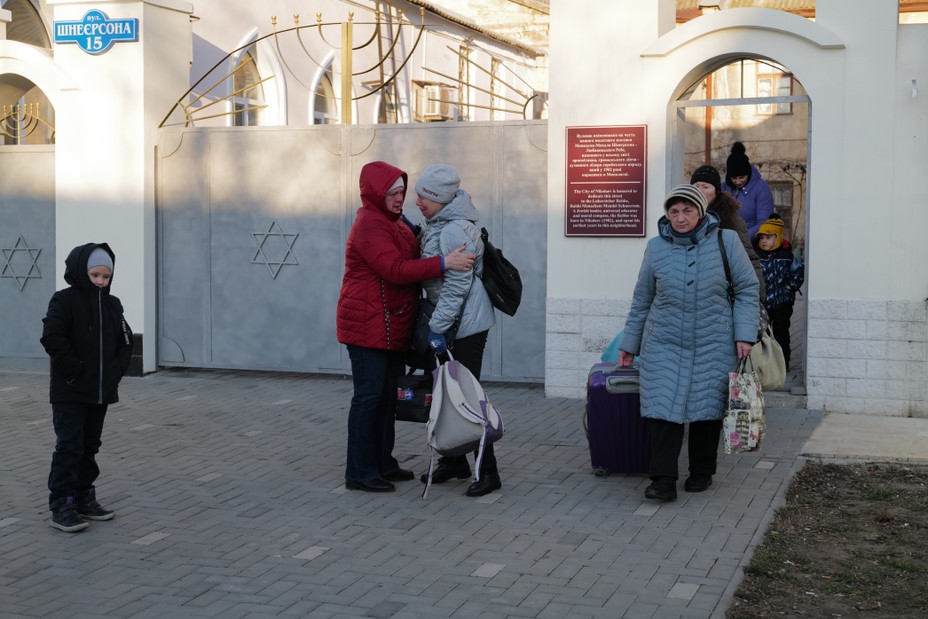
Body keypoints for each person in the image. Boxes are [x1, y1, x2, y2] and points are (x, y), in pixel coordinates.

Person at [336, 161, 475, 493]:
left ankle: (383, 463)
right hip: (367, 326)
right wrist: (445, 262)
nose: (400, 199)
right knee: (369, 398)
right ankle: (359, 471)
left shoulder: (395, 222)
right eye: (392, 193)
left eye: (402, 192)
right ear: (376, 193)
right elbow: (396, 269)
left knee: (387, 399)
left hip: (390, 325)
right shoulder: (371, 224)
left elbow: (424, 239)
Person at [618, 185, 758, 502]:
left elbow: (748, 289)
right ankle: (663, 479)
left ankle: (701, 472)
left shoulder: (727, 241)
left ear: (701, 212)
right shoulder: (655, 248)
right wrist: (630, 343)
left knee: (706, 409)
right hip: (663, 341)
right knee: (661, 410)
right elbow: (642, 299)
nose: (680, 218)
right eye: (674, 211)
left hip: (713, 339)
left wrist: (744, 335)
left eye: (688, 210)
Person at [412, 164, 501, 497]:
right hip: (453, 321)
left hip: (464, 325)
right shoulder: (438, 223)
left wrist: (436, 327)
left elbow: (456, 286)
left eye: (424, 196)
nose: (418, 201)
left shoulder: (454, 230)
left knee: (467, 398)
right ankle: (456, 462)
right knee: (448, 396)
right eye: (418, 195)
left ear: (439, 198)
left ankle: (488, 472)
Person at [40, 243, 134, 532]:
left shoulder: (113, 304)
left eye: (106, 277)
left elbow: (126, 340)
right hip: (70, 390)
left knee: (90, 446)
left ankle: (83, 497)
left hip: (101, 391)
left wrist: (116, 371)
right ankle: (62, 504)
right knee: (70, 446)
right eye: (95, 275)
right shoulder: (64, 300)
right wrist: (75, 370)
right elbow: (52, 337)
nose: (100, 282)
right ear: (82, 272)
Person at [691, 164, 766, 303]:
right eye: (696, 186)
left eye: (705, 187)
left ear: (716, 192)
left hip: (722, 297)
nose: (699, 191)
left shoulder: (732, 221)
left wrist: (757, 297)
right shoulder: (681, 220)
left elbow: (749, 259)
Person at [753, 214, 804, 369]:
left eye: (768, 237)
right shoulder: (756, 255)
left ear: (777, 237)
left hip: (783, 304)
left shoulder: (787, 255)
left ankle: (783, 365)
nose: (764, 241)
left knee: (782, 335)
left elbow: (798, 272)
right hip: (763, 305)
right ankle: (766, 366)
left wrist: (789, 288)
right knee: (763, 335)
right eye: (761, 238)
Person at [722, 142, 774, 238]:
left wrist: (740, 239)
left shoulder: (761, 188)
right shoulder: (723, 188)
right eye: (733, 178)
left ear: (749, 174)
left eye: (741, 177)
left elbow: (764, 223)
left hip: (751, 245)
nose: (738, 182)